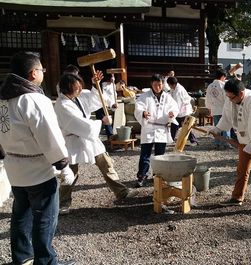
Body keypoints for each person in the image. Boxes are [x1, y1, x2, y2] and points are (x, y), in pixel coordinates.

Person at [0, 51, 75, 265]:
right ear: (33, 73)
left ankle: (22, 257)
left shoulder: (3, 98)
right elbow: (49, 134)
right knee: (44, 217)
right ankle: (46, 261)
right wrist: (63, 165)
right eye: (41, 69)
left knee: (21, 213)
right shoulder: (34, 99)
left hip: (14, 166)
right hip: (37, 169)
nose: (43, 72)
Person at [54, 69, 138, 215]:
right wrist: (101, 121)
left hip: (88, 139)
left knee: (106, 163)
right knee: (70, 173)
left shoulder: (76, 98)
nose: (80, 89)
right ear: (68, 88)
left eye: (80, 85)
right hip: (72, 140)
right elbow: (82, 125)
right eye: (77, 86)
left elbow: (95, 101)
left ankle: (121, 192)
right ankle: (63, 202)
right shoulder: (62, 105)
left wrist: (95, 85)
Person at [210, 79, 251, 216]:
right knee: (242, 169)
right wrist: (217, 129)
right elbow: (226, 118)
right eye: (228, 96)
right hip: (244, 139)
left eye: (232, 97)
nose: (230, 100)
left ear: (241, 93)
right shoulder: (230, 98)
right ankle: (237, 197)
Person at [134, 74, 179, 187]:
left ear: (162, 84)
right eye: (155, 85)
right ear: (151, 84)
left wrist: (172, 114)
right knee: (145, 154)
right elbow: (138, 107)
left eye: (159, 85)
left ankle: (158, 175)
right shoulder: (145, 96)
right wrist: (143, 113)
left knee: (160, 154)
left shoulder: (167, 97)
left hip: (161, 128)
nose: (157, 87)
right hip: (148, 127)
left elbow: (175, 107)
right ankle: (142, 176)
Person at [166, 76, 198, 146]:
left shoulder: (178, 90)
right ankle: (171, 140)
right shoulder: (173, 88)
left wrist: (174, 113)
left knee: (186, 127)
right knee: (175, 126)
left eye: (169, 85)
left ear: (172, 84)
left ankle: (194, 141)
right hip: (179, 110)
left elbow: (178, 103)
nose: (169, 86)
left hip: (183, 110)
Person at [206, 70, 231, 149]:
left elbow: (208, 99)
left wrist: (209, 109)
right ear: (223, 76)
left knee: (217, 127)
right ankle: (226, 143)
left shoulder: (210, 86)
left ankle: (217, 143)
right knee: (225, 126)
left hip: (215, 109)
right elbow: (227, 98)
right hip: (223, 109)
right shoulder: (224, 85)